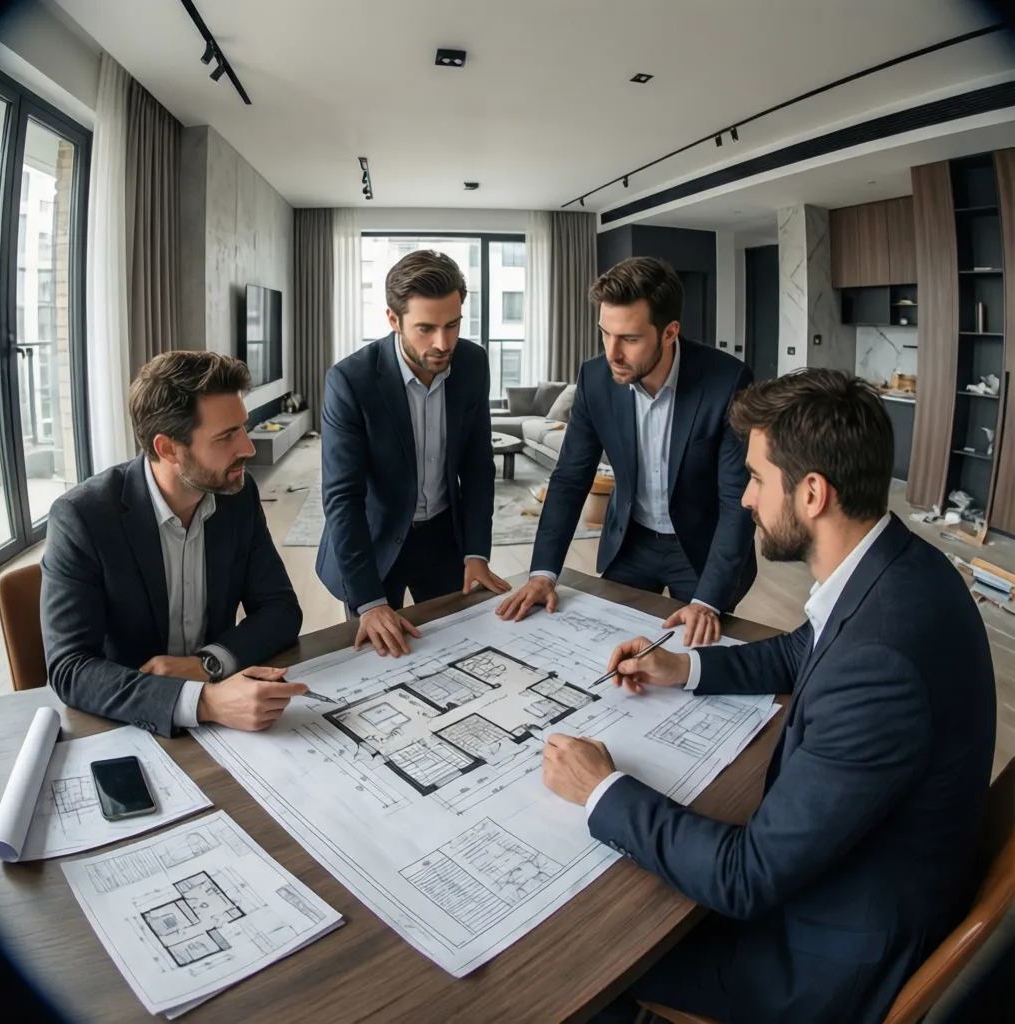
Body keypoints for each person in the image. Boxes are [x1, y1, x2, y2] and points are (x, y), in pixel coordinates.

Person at [541, 369, 997, 1024]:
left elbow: (746, 877)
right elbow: (799, 649)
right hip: (860, 887)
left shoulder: (880, 669)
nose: (747, 501)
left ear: (812, 493)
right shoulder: (898, 566)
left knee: (584, 950)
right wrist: (682, 667)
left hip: (820, 967)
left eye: (756, 478)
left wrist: (598, 788)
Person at [41, 352, 306, 738]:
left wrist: (207, 665)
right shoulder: (83, 517)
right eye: (226, 436)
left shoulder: (238, 495)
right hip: (129, 724)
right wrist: (202, 701)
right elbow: (71, 668)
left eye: (242, 428)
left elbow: (281, 609)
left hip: (230, 716)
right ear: (167, 449)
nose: (248, 448)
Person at [497, 257, 755, 646]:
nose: (612, 353)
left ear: (670, 332)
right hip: (630, 544)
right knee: (608, 648)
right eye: (605, 334)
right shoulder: (595, 378)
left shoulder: (728, 380)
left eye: (629, 339)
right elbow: (569, 480)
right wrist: (543, 574)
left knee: (692, 658)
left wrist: (707, 600)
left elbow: (738, 500)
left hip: (703, 550)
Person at [317, 249, 509, 657]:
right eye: (425, 328)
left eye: (453, 325)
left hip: (443, 538)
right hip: (374, 543)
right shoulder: (350, 381)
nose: (443, 343)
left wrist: (476, 552)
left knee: (454, 649)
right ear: (393, 319)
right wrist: (369, 603)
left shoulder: (473, 363)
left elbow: (477, 466)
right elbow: (342, 499)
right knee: (378, 659)